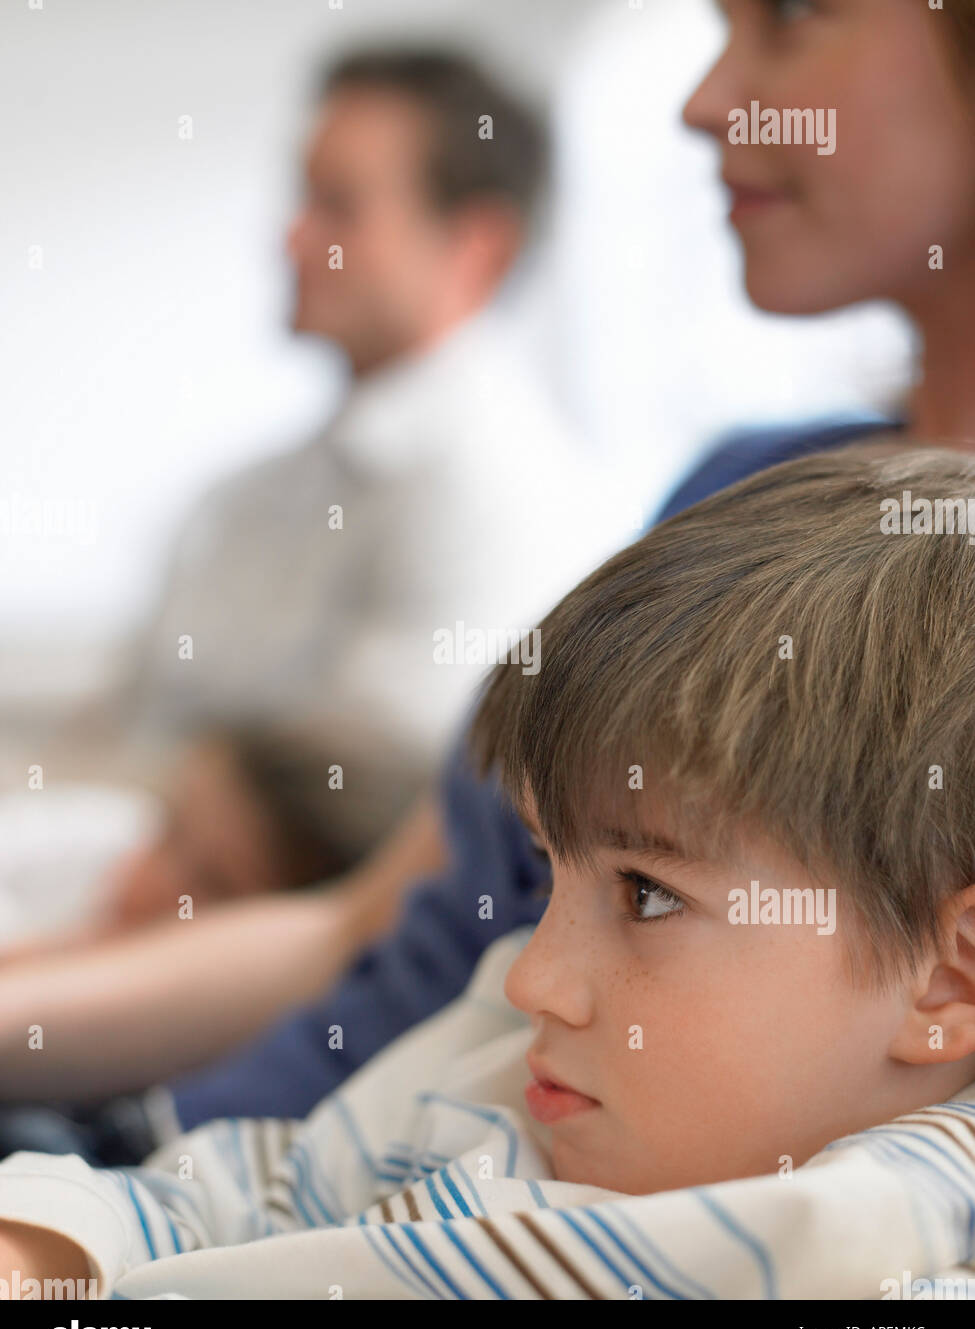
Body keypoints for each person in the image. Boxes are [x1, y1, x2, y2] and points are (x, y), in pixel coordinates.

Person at [0, 0, 970, 1141]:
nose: (706, 102)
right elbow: (364, 935)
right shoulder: (742, 487)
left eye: (794, 17)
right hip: (227, 1147)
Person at [4, 446, 975, 1299]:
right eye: (552, 869)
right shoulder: (495, 1069)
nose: (529, 976)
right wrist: (38, 1251)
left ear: (949, 976)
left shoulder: (906, 1233)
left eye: (648, 894)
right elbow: (230, 1195)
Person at [3, 44, 634, 939]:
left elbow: (331, 824)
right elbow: (124, 727)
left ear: (476, 248)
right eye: (302, 199)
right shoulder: (245, 496)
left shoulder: (510, 501)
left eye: (338, 207)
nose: (292, 239)